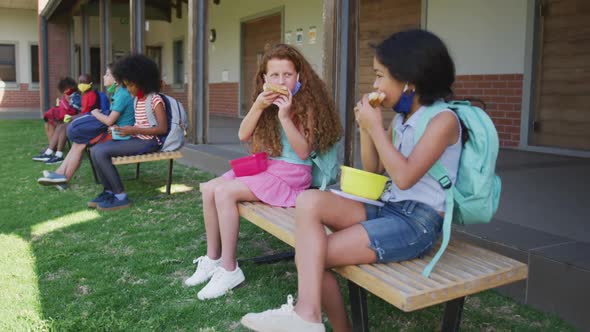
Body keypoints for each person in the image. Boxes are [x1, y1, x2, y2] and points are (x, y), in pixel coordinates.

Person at [241, 29, 462, 332]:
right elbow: (375, 171)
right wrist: (366, 129)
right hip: (389, 207)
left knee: (311, 256)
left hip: (418, 222)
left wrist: (376, 128)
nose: (375, 84)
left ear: (409, 79)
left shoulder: (443, 120)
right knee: (309, 200)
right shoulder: (402, 119)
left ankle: (309, 317)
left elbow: (405, 177)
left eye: (380, 75)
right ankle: (309, 317)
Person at [185, 44, 342, 301]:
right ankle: (213, 259)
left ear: (299, 75)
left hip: (293, 174)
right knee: (210, 189)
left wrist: (285, 116)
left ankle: (229, 269)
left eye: (287, 75)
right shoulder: (265, 99)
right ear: (265, 78)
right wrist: (258, 106)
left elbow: (303, 153)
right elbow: (243, 134)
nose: (281, 81)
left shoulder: (307, 104)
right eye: (275, 76)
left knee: (224, 193)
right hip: (270, 167)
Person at [87, 54, 167, 211]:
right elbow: (137, 124)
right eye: (126, 85)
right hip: (137, 138)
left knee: (102, 152)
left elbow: (162, 129)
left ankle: (120, 196)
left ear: (142, 82)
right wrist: (121, 130)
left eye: (130, 85)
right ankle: (108, 191)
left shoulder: (155, 100)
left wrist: (133, 129)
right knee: (95, 150)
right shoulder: (138, 99)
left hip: (150, 142)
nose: (128, 89)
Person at [37, 64, 135, 190]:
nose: (104, 77)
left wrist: (95, 113)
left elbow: (110, 121)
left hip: (119, 136)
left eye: (107, 74)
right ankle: (60, 175)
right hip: (113, 132)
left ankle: (62, 177)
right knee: (79, 142)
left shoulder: (122, 95)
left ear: (116, 80)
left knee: (80, 142)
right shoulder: (118, 93)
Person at [32, 77, 80, 162]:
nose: (67, 94)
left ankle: (57, 154)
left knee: (62, 127)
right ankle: (49, 152)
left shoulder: (77, 98)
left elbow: (79, 112)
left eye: (69, 91)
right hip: (69, 121)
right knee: (55, 124)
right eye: (66, 93)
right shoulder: (66, 99)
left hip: (76, 122)